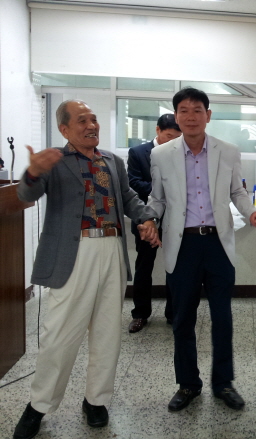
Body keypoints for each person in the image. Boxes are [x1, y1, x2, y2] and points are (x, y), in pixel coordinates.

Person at [12, 100, 158, 439]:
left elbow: (128, 197)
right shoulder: (54, 160)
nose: (91, 125)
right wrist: (32, 171)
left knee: (107, 332)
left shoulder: (112, 161)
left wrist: (147, 217)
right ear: (64, 129)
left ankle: (96, 400)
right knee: (59, 336)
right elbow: (26, 193)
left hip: (112, 249)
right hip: (73, 253)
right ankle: (38, 405)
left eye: (93, 119)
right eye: (82, 120)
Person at [146, 87, 256, 413]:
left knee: (222, 318)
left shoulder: (228, 151)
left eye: (197, 110)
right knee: (182, 319)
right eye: (184, 111)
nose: (190, 116)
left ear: (208, 115)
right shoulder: (161, 155)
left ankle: (223, 383)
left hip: (217, 243)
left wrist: (252, 212)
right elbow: (157, 199)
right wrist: (148, 219)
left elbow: (237, 192)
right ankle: (188, 384)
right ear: (176, 116)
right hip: (182, 244)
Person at [127, 113, 182, 333]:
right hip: (146, 217)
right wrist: (161, 190)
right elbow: (133, 182)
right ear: (158, 130)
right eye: (169, 136)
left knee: (174, 267)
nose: (173, 141)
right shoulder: (138, 152)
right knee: (144, 267)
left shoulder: (182, 152)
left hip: (174, 219)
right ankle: (140, 314)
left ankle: (173, 314)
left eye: (177, 138)